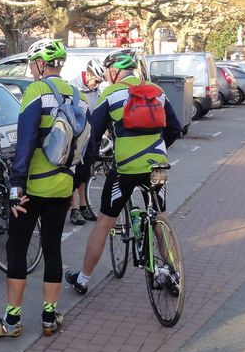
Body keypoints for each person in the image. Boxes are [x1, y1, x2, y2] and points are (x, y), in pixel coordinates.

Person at [0, 39, 81, 339]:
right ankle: (50, 317)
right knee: (52, 249)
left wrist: (15, 186)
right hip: (62, 185)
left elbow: (24, 143)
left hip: (31, 187)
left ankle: (12, 321)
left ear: (39, 64)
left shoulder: (36, 92)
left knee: (17, 248)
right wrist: (74, 183)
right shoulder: (77, 94)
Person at [64, 49, 182, 295]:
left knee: (105, 222)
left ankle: (83, 279)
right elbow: (174, 128)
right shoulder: (157, 91)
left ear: (115, 70)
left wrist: (91, 161)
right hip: (158, 166)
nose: (106, 77)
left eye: (107, 72)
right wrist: (158, 150)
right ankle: (173, 273)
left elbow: (92, 134)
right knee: (161, 216)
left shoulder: (110, 94)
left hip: (125, 168)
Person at [68, 58, 106, 226]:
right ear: (88, 74)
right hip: (77, 135)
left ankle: (84, 206)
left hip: (91, 135)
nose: (96, 84)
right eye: (95, 80)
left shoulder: (96, 89)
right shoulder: (73, 87)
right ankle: (74, 209)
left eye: (99, 82)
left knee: (85, 173)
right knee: (75, 173)